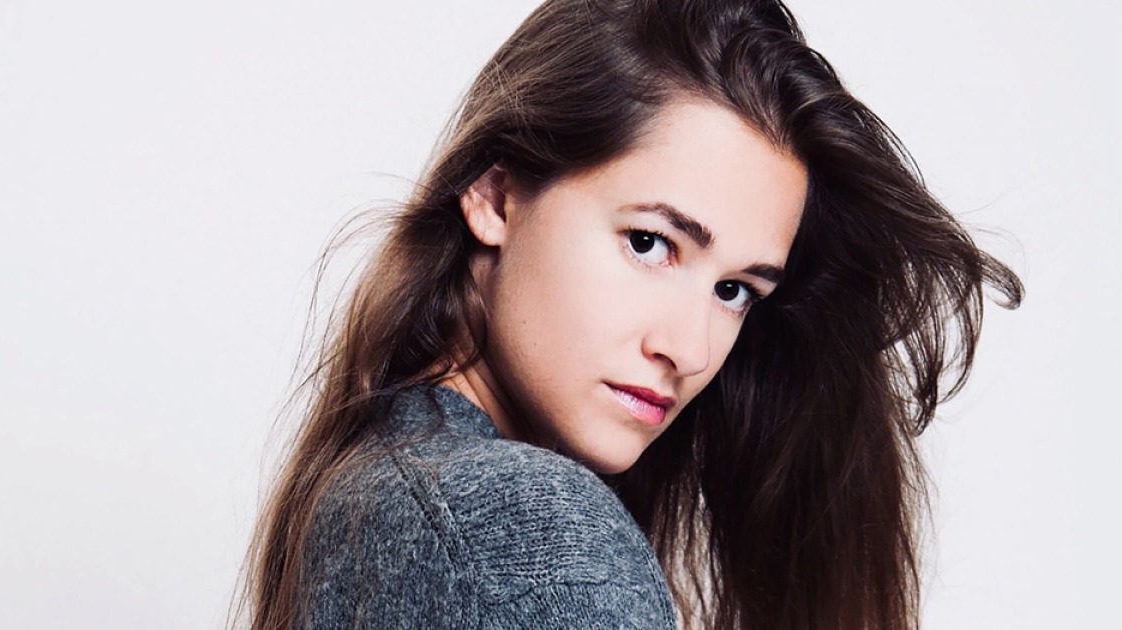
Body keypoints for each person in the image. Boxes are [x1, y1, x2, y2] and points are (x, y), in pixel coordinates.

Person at [238, 0, 1023, 628]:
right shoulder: (523, 527)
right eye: (650, 243)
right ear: (496, 195)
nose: (690, 349)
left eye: (735, 291)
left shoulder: (370, 494)